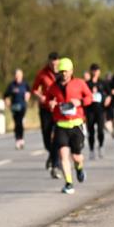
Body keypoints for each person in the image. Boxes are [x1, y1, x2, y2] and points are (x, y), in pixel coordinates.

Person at [45, 58, 92, 194]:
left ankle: (79, 168)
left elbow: (90, 97)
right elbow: (48, 100)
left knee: (76, 157)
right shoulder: (53, 87)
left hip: (76, 125)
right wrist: (50, 104)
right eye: (61, 71)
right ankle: (69, 184)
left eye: (66, 71)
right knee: (63, 155)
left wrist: (80, 102)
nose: (63, 74)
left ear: (71, 71)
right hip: (61, 126)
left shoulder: (79, 83)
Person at [32, 52, 60, 177]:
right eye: (52, 63)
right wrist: (41, 96)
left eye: (56, 63)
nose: (54, 66)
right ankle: (53, 154)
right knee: (46, 137)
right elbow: (34, 89)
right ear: (48, 62)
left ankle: (56, 162)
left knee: (58, 136)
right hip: (45, 109)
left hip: (58, 109)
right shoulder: (42, 73)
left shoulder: (63, 73)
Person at [84, 64, 109, 159]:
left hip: (100, 110)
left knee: (100, 130)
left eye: (97, 70)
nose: (95, 72)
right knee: (91, 131)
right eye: (93, 70)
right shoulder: (87, 83)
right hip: (90, 110)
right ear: (91, 71)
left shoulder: (103, 82)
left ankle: (101, 146)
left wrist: (108, 99)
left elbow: (109, 93)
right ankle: (91, 150)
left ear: (99, 72)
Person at [2, 68, 30, 150]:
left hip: (22, 106)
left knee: (20, 122)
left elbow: (29, 91)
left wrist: (28, 96)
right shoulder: (12, 85)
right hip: (14, 107)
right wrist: (7, 103)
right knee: (16, 123)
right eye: (16, 75)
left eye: (19, 75)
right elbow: (5, 95)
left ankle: (20, 139)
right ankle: (18, 140)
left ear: (22, 76)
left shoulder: (25, 84)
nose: (17, 77)